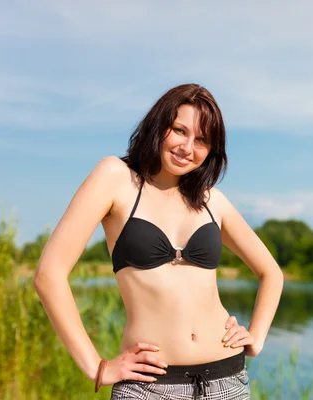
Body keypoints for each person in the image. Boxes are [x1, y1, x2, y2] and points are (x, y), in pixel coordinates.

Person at [33, 83, 284, 399]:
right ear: (158, 125)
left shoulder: (211, 201)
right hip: (150, 387)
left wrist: (257, 337)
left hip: (227, 381)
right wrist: (97, 366)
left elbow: (271, 273)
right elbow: (48, 275)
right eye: (179, 130)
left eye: (202, 140)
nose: (188, 147)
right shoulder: (115, 178)